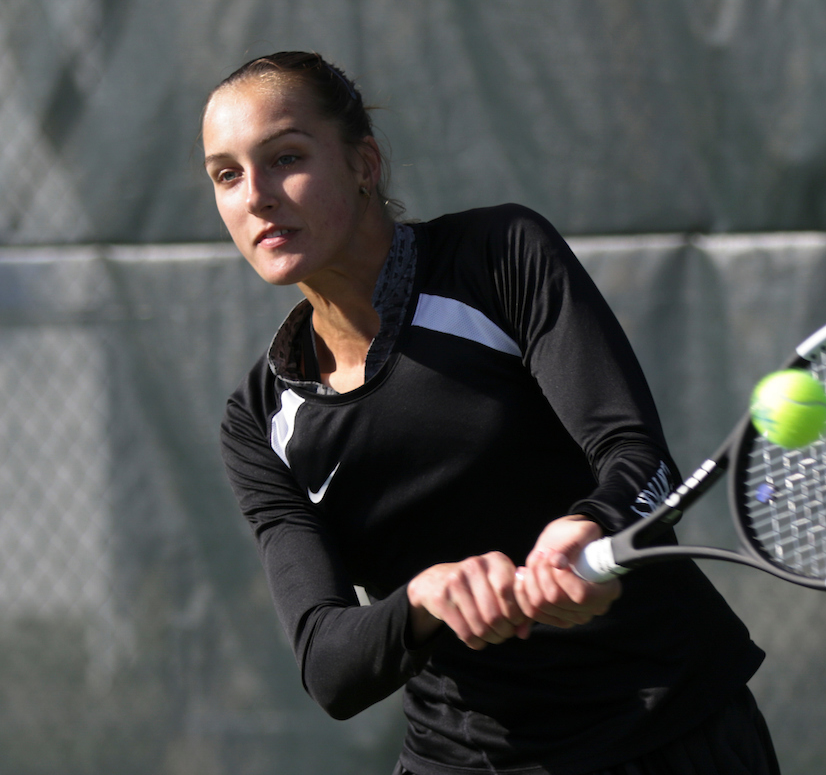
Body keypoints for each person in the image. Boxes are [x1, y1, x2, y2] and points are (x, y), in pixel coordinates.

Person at [205, 51, 780, 775]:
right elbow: (328, 663)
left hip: (670, 728)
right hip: (466, 759)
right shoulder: (258, 421)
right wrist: (423, 601)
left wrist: (592, 526)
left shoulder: (498, 256)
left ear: (363, 164)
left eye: (286, 157)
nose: (255, 196)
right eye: (226, 175)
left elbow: (638, 458)